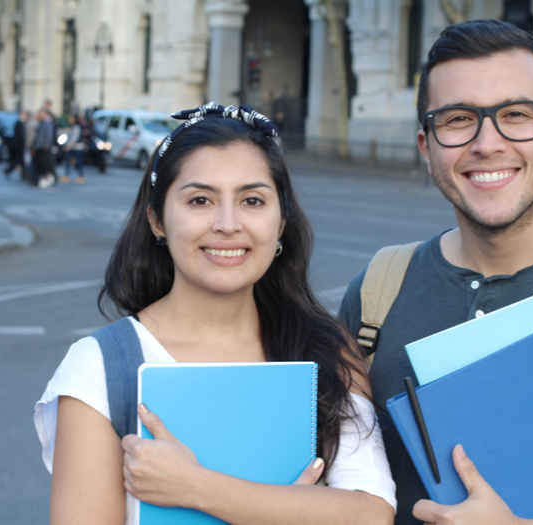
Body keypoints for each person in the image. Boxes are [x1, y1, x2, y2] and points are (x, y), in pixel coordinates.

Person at [34, 102, 397, 525]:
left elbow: (371, 513)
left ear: (280, 223)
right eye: (201, 200)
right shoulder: (101, 367)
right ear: (157, 220)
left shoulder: (327, 351)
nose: (228, 224)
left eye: (252, 200)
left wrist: (195, 487)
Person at [338, 19, 533, 525]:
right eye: (458, 119)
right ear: (426, 148)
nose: (487, 142)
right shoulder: (374, 295)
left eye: (516, 115)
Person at [32, 109, 55, 188]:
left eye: (41, 114)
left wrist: (46, 145)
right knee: (41, 165)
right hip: (39, 147)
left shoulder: (46, 123)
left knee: (45, 165)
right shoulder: (41, 123)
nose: (39, 115)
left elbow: (48, 136)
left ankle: (47, 180)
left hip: (43, 148)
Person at [59, 114, 85, 184]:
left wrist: (68, 146)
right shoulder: (71, 127)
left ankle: (81, 177)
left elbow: (74, 138)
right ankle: (66, 176)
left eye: (71, 118)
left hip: (77, 147)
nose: (70, 120)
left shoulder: (77, 127)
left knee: (78, 163)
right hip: (72, 147)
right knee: (68, 161)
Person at [5, 111, 26, 179]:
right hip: (19, 146)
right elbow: (20, 136)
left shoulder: (20, 123)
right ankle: (24, 175)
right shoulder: (19, 123)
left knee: (19, 161)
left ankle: (24, 175)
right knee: (18, 161)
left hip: (19, 145)